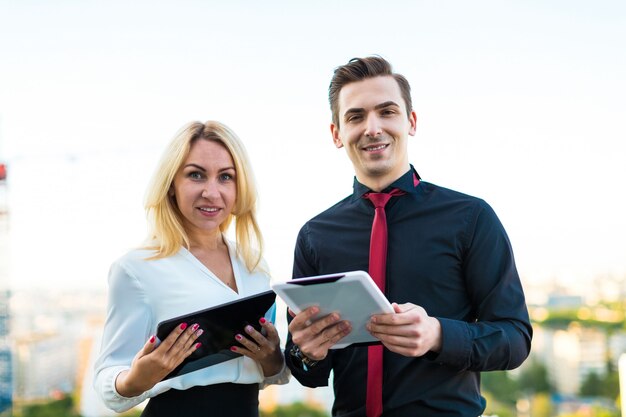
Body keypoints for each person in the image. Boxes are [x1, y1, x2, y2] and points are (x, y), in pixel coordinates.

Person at [285, 56, 532, 417]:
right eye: (356, 117)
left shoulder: (471, 217)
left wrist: (437, 335)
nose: (373, 128)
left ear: (410, 121)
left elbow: (515, 338)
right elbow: (309, 374)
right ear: (337, 133)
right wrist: (306, 352)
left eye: (387, 111)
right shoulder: (314, 236)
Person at [94, 120, 289, 416]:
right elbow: (107, 380)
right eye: (196, 175)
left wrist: (273, 358)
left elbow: (270, 374)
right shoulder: (136, 269)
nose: (212, 192)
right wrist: (137, 378)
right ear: (172, 184)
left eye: (226, 177)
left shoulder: (255, 266)